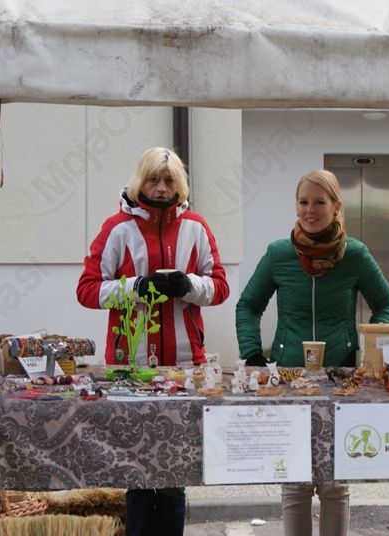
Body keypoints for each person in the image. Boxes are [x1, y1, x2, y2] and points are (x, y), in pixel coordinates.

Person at [77, 147, 230, 536]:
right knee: (138, 470)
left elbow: (220, 287)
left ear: (180, 185)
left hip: (184, 366)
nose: (161, 188)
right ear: (139, 181)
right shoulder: (117, 228)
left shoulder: (196, 226)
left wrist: (189, 285)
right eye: (153, 179)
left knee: (175, 470)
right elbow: (87, 289)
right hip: (131, 366)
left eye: (169, 180)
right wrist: (134, 287)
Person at [236, 169, 389, 535]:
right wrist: (253, 354)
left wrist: (369, 349)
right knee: (295, 481)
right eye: (303, 202)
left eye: (319, 202)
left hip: (340, 380)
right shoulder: (279, 254)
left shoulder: (355, 254)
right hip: (289, 377)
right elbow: (248, 305)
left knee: (334, 483)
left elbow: (386, 303)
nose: (310, 210)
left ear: (336, 206)